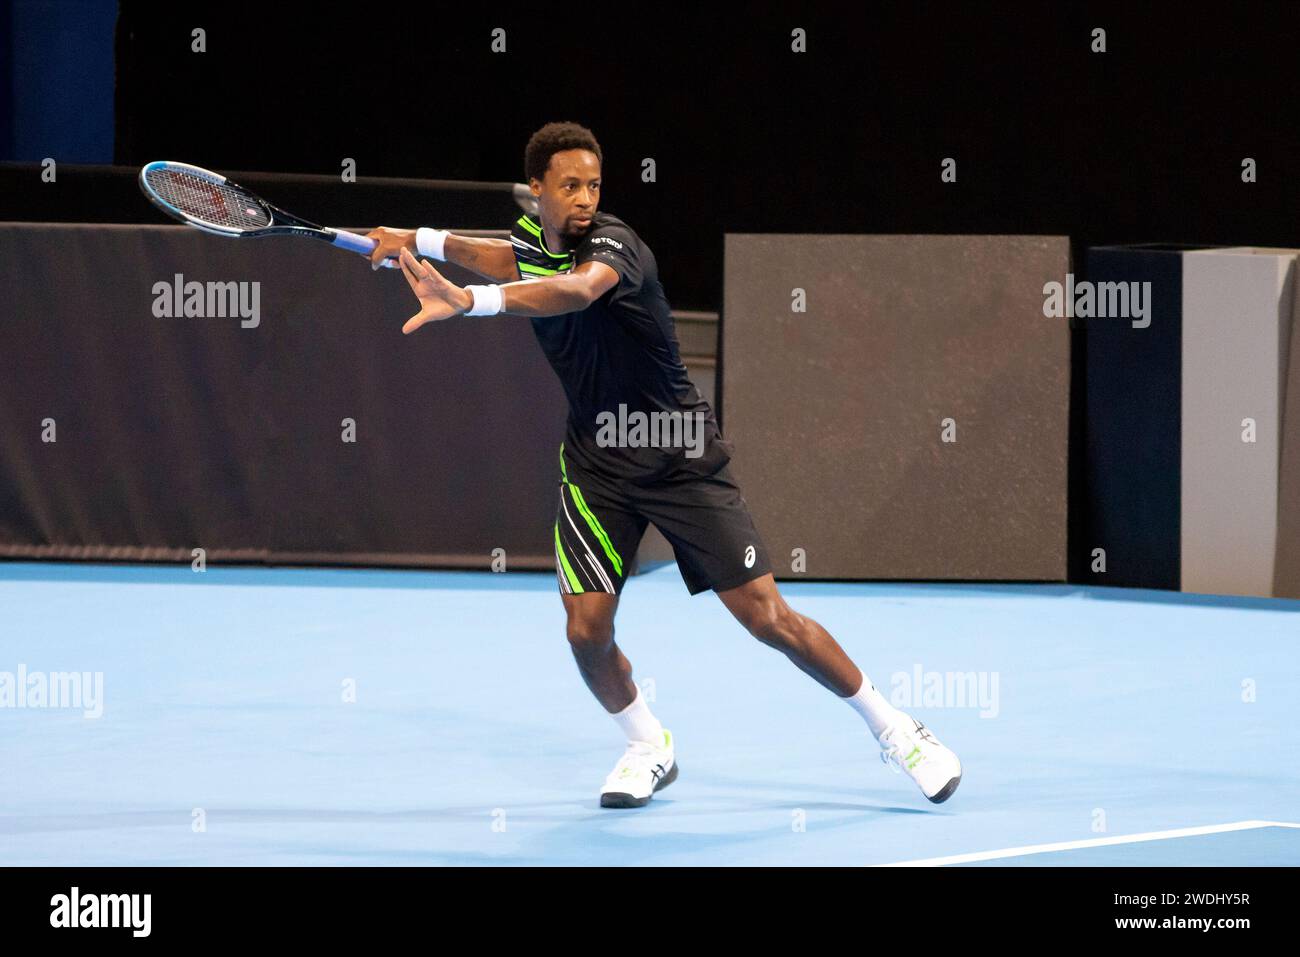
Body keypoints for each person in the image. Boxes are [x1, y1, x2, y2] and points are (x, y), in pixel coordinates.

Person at [365, 121, 962, 808]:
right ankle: (648, 744)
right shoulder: (531, 241)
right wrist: (417, 240)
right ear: (537, 190)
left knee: (768, 617)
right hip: (597, 465)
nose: (586, 197)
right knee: (586, 631)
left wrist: (470, 303)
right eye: (570, 185)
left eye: (594, 183)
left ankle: (896, 729)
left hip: (678, 454)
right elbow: (507, 255)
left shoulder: (617, 247)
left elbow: (574, 290)